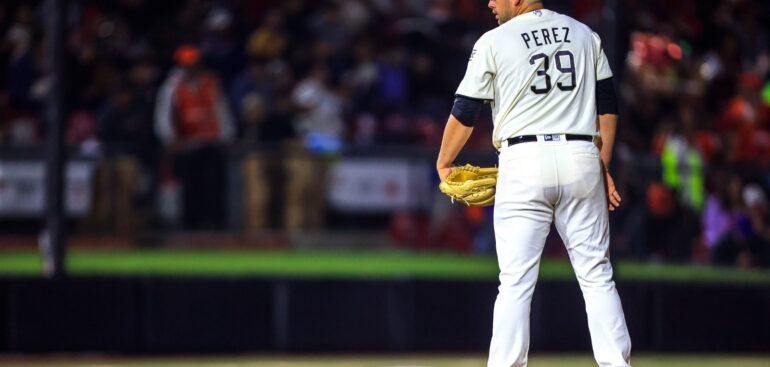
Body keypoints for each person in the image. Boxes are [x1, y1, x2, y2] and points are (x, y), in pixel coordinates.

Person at [435, 1, 632, 366]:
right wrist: (602, 166)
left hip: (522, 160)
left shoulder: (494, 41)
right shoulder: (585, 34)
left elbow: (465, 111)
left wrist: (445, 161)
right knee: (597, 276)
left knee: (514, 283)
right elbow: (607, 105)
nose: (490, 3)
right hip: (581, 155)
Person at [155, 45, 235, 230]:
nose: (191, 67)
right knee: (190, 187)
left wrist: (227, 135)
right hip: (187, 144)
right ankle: (190, 225)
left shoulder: (210, 82)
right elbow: (164, 114)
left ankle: (215, 224)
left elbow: (220, 109)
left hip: (211, 142)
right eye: (187, 64)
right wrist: (169, 138)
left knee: (213, 186)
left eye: (194, 63)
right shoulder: (172, 86)